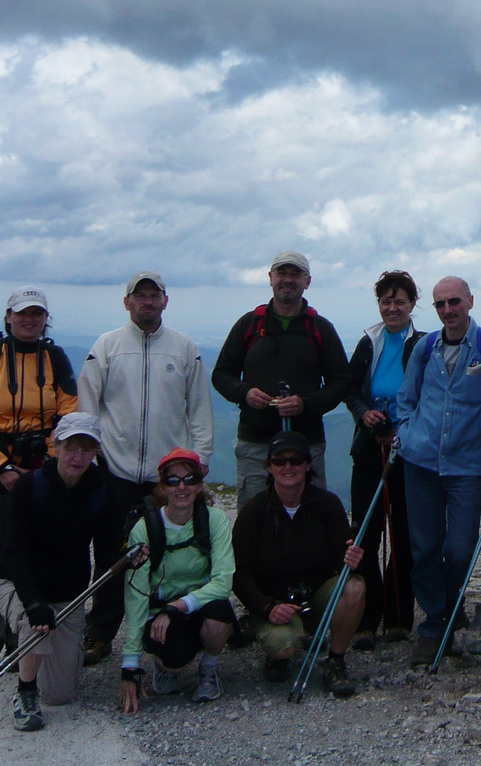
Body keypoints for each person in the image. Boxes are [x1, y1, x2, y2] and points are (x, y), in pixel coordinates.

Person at [77, 271, 215, 666]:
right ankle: (100, 632)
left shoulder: (184, 348)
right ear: (127, 303)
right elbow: (87, 405)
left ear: (165, 302)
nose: (147, 302)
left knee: (167, 554)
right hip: (115, 471)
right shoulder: (107, 346)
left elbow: (200, 409)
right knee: (109, 554)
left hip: (166, 477)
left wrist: (199, 460)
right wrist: (90, 456)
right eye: (140, 296)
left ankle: (163, 633)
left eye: (154, 296)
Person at [396, 275, 481, 667]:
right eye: (440, 304)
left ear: (470, 301)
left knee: (460, 547)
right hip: (420, 461)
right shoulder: (424, 348)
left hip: (466, 464)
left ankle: (448, 612)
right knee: (425, 548)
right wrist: (406, 431)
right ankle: (438, 622)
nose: (448, 310)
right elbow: (407, 399)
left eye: (454, 302)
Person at [0, 286, 79, 676]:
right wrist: (1, 468)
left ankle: (22, 639)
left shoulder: (55, 358)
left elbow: (68, 416)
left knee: (31, 553)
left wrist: (46, 466)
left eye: (37, 314)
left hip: (39, 467)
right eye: (22, 313)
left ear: (46, 319)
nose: (30, 320)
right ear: (8, 316)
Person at [0, 413, 127, 731]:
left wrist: (127, 556)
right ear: (55, 445)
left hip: (69, 596)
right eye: (71, 447)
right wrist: (33, 602)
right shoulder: (30, 486)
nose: (78, 457)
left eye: (87, 449)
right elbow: (11, 551)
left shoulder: (100, 490)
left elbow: (108, 546)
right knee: (36, 624)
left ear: (96, 452)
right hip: (16, 584)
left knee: (60, 695)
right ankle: (25, 692)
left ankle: (37, 655)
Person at [231, 431, 368, 697]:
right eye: (279, 460)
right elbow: (239, 574)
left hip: (315, 596)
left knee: (354, 588)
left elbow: (344, 562)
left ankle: (336, 661)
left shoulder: (328, 505)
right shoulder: (253, 512)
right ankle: (279, 651)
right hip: (273, 603)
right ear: (269, 467)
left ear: (308, 464)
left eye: (296, 459)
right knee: (283, 644)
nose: (288, 466)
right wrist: (266, 607)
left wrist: (353, 563)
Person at [212, 251, 351, 505]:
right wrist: (245, 394)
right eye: (282, 273)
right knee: (255, 519)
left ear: (307, 281)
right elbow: (221, 374)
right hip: (256, 442)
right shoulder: (249, 324)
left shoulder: (320, 329)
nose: (288, 279)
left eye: (295, 274)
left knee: (310, 517)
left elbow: (341, 382)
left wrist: (305, 404)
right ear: (270, 278)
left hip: (306, 444)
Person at [340, 269, 425, 648]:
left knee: (405, 536)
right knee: (365, 535)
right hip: (370, 449)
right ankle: (366, 618)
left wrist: (403, 426)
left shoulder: (422, 344)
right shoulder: (368, 343)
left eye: (399, 301)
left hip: (407, 452)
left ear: (412, 305)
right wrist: (363, 414)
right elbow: (349, 388)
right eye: (386, 301)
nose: (392, 307)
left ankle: (398, 617)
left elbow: (429, 394)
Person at [118, 448, 235, 708]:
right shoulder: (145, 528)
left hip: (193, 607)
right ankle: (167, 667)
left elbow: (223, 582)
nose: (182, 487)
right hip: (159, 612)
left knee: (220, 614)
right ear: (163, 487)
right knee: (177, 656)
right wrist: (130, 664)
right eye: (173, 480)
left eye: (190, 479)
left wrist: (175, 608)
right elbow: (136, 595)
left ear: (199, 485)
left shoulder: (214, 520)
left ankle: (209, 669)